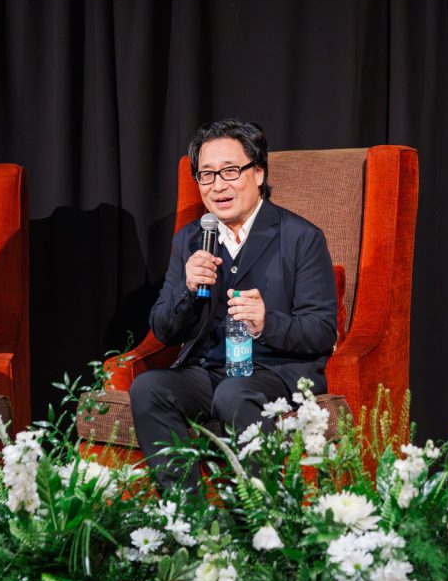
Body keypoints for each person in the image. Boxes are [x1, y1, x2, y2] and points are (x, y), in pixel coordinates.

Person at [131, 119, 338, 493]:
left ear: (258, 173)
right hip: (209, 370)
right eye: (206, 175)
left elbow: (322, 331)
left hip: (275, 370)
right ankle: (186, 519)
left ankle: (261, 518)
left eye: (230, 171)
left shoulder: (301, 237)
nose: (217, 186)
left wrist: (266, 323)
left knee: (233, 392)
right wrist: (188, 290)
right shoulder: (191, 239)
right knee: (149, 387)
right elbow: (162, 329)